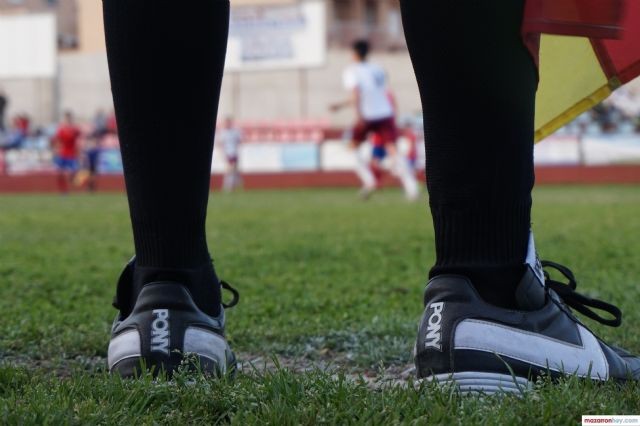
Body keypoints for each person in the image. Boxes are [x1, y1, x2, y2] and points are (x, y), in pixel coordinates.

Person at [104, 0, 639, 390]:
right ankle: (491, 283)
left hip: (375, 119)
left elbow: (361, 95)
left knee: (372, 156)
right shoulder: (368, 68)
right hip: (389, 113)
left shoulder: (362, 71)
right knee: (375, 159)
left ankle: (168, 291)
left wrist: (346, 113)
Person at [330, 40, 398, 199]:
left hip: (367, 115)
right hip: (386, 113)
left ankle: (370, 181)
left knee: (353, 148)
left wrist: (358, 115)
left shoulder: (351, 71)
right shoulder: (378, 68)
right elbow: (378, 91)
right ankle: (411, 189)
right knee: (392, 150)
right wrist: (340, 106)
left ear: (354, 53)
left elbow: (356, 94)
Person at [52, 111, 81, 194]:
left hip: (72, 154)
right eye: (66, 118)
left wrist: (79, 151)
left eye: (69, 118)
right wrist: (56, 150)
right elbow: (57, 140)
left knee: (74, 171)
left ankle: (72, 183)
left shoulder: (75, 129)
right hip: (63, 154)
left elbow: (79, 138)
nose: (67, 120)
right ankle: (63, 191)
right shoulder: (61, 129)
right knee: (60, 174)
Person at [218, 116, 242, 193]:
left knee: (234, 170)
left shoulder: (235, 131)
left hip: (234, 152)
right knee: (230, 170)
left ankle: (232, 187)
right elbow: (220, 143)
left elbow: (239, 141)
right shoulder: (223, 132)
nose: (227, 124)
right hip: (228, 153)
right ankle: (228, 186)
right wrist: (222, 153)